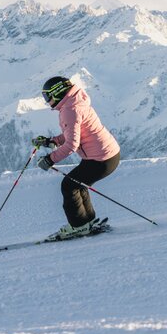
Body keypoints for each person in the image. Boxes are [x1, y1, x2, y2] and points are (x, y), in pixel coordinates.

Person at [31, 76, 122, 239]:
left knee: (69, 186)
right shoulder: (75, 102)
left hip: (101, 159)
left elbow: (72, 144)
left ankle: (79, 226)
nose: (47, 102)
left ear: (57, 93)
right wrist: (52, 141)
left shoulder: (69, 110)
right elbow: (75, 133)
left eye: (47, 97)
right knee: (78, 185)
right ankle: (87, 222)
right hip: (108, 155)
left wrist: (50, 159)